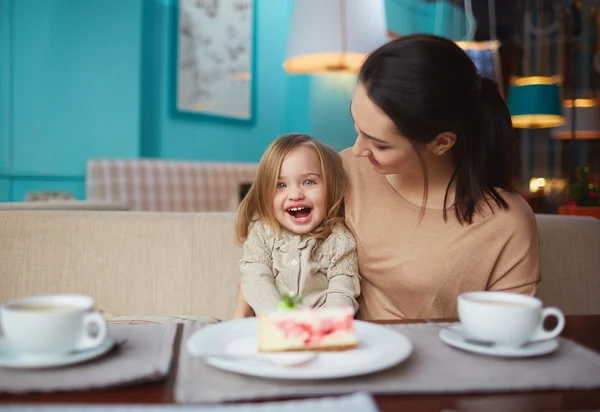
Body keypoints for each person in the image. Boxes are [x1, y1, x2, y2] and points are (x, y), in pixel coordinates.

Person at [233, 34, 540, 320]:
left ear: (441, 143)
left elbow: (510, 333)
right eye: (357, 127)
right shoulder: (345, 172)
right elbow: (270, 253)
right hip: (336, 353)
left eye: (379, 144)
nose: (357, 149)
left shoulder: (505, 224)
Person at [234, 133, 360, 315]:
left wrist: (325, 325)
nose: (295, 194)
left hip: (320, 330)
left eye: (309, 182)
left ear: (331, 187)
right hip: (272, 326)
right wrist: (281, 318)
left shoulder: (339, 240)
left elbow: (343, 292)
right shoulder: (262, 232)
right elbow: (256, 280)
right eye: (281, 185)